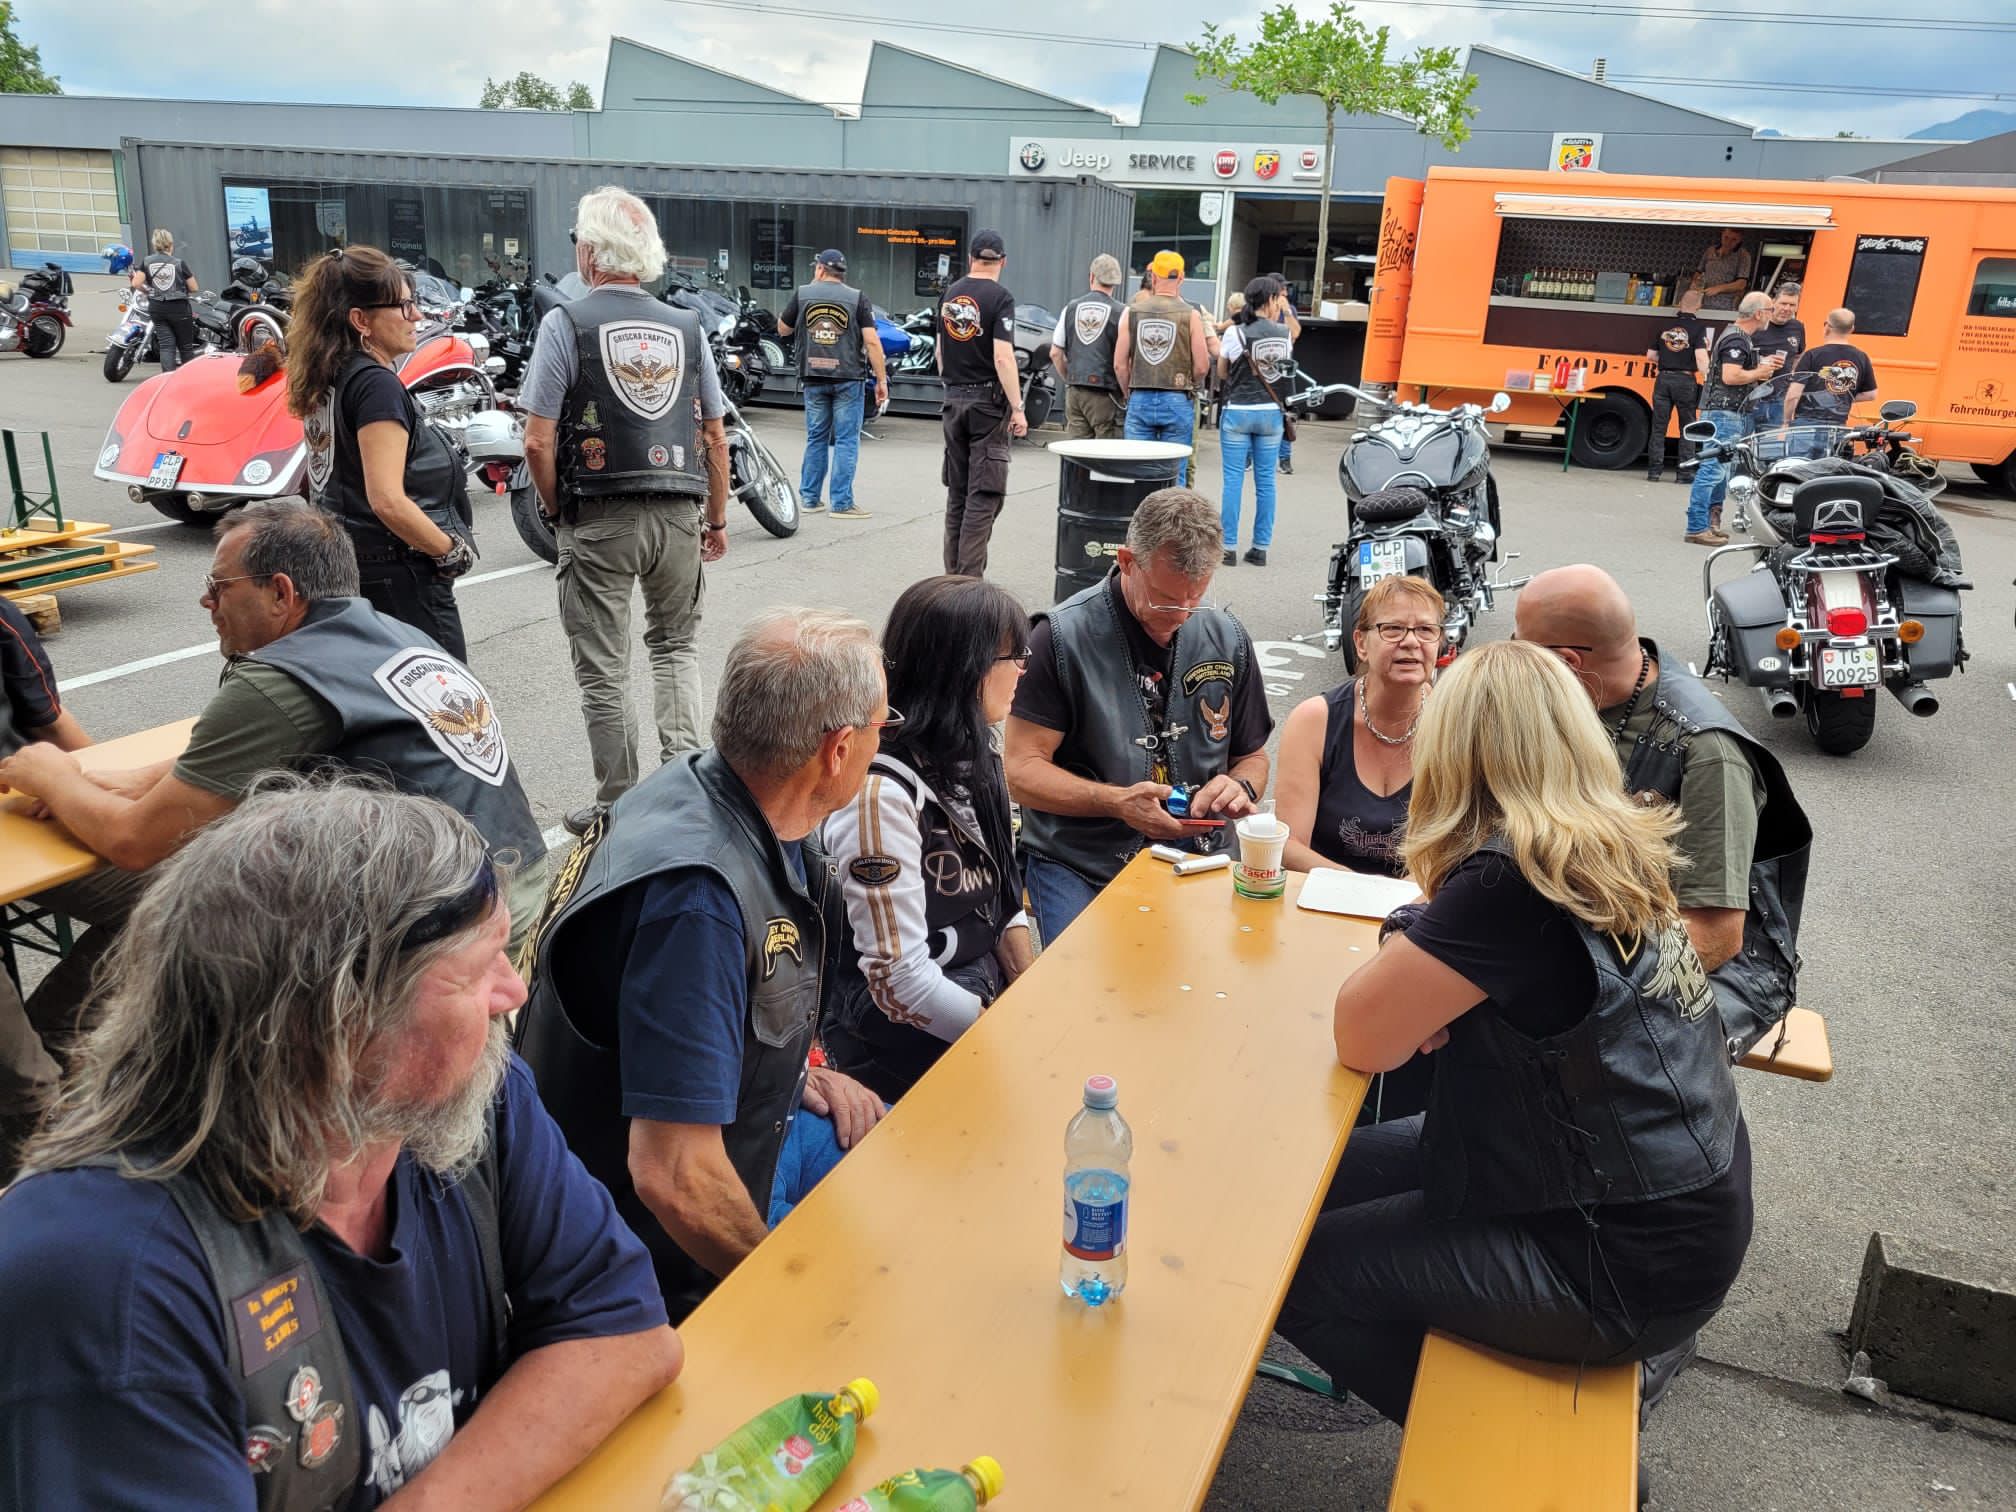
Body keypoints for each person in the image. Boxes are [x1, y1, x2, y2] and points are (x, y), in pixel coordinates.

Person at [0, 783, 682, 1508]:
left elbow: (625, 1332)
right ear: (335, 1024)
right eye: (476, 970)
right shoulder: (105, 1277)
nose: (512, 992)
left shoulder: (464, 1099)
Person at [1274, 640, 1752, 1426]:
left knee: (1295, 1271)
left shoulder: (1508, 878)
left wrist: (1421, 977)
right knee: (1308, 1177)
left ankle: (1501, 1447)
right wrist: (1423, 958)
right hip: (1660, 1199)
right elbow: (1436, 940)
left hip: (1613, 1259)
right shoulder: (1605, 835)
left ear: (1457, 751)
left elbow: (1362, 1037)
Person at [0, 501, 550, 1040]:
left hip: (428, 926)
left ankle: (63, 1046)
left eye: (219, 586)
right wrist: (139, 779)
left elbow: (134, 842)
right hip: (508, 879)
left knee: (199, 902)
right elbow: (285, 744)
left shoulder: (282, 681)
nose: (206, 600)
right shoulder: (391, 634)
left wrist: (52, 776)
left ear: (281, 593)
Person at [521, 608, 893, 1320]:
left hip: (754, 1129)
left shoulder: (709, 787)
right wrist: (788, 1301)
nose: (884, 741)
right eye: (884, 724)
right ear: (839, 748)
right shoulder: (698, 902)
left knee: (918, 1156)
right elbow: (674, 1175)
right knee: (887, 1293)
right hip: (650, 1252)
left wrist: (795, 1074)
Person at [1514, 565, 1810, 1055]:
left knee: (1558, 1050)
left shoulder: (1707, 752)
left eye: (1521, 651)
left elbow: (1715, 934)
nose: (1514, 665)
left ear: (1567, 661)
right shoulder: (1584, 694)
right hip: (1595, 921)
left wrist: (1570, 986)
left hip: (1715, 967)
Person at [521, 187, 732, 835]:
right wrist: (717, 518)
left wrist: (557, 509)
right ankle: (686, 788)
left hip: (599, 511)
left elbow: (536, 440)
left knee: (604, 671)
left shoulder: (566, 323)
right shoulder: (688, 327)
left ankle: (618, 805)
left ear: (590, 252)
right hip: (678, 510)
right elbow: (714, 433)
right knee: (676, 648)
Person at [1004, 488, 1272, 944]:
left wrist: (1240, 786)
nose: (1183, 615)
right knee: (1082, 980)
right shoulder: (1059, 638)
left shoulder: (1226, 635)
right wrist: (1114, 802)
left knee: (1227, 970)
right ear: (1127, 561)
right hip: (1081, 857)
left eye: (1196, 598)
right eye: (1166, 599)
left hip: (1202, 849)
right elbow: (1020, 773)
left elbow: (1253, 757)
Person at [822, 577, 1036, 1101]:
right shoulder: (879, 794)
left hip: (971, 980)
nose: (1024, 668)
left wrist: (1033, 997)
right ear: (968, 668)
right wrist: (1008, 1037)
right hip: (902, 1029)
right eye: (1015, 655)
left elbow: (1001, 894)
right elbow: (899, 980)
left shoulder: (975, 753)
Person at [288, 245, 477, 659]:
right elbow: (387, 500)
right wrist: (449, 551)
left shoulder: (328, 374)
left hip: (347, 565)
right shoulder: (375, 386)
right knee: (441, 691)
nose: (417, 316)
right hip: (396, 571)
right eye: (404, 306)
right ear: (361, 320)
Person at [0, 596, 95, 1174]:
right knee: (27, 1085)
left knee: (174, 889)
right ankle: (33, 1116)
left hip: (17, 809)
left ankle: (57, 1037)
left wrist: (95, 790)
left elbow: (52, 722)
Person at [1276, 576, 1444, 879]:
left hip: (1421, 899)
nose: (1411, 641)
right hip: (1324, 894)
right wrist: (1359, 890)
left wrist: (1405, 895)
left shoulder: (1455, 725)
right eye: (1393, 629)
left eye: (1425, 630)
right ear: (1361, 643)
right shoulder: (1314, 721)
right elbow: (1289, 844)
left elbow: (1461, 844)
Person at [936, 229, 1028, 578]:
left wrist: (953, 385)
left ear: (971, 257)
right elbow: (1003, 357)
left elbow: (941, 351)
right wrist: (1017, 407)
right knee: (984, 495)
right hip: (987, 404)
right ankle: (969, 582)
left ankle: (953, 577)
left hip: (954, 399)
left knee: (958, 495)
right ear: (1003, 261)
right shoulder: (1001, 298)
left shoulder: (950, 294)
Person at [778, 248, 887, 518]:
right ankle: (841, 504)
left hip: (813, 375)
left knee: (816, 437)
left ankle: (809, 499)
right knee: (847, 440)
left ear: (820, 269)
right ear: (842, 273)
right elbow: (872, 341)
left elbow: (783, 329)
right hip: (848, 377)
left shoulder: (803, 294)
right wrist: (881, 379)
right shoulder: (857, 298)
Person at [1687, 291, 1783, 545]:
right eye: (1770, 310)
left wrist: (1757, 369)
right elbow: (1730, 377)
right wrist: (1759, 372)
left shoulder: (1735, 335)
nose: (1772, 315)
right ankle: (1696, 527)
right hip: (1724, 412)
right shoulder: (1738, 339)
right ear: (1758, 313)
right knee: (1712, 470)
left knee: (1719, 471)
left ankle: (1707, 524)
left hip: (1723, 411)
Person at [1217, 274, 1296, 567]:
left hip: (1238, 411)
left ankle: (1228, 547)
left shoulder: (1235, 333)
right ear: (1272, 299)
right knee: (1266, 483)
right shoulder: (1284, 334)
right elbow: (1284, 374)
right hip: (1271, 414)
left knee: (1233, 480)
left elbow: (1222, 372)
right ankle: (1260, 548)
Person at [1115, 251, 1210, 485]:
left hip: (1140, 395)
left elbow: (1119, 364)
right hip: (1177, 397)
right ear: (1182, 278)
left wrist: (1128, 392)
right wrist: (1191, 386)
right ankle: (1171, 509)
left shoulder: (1132, 312)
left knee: (1136, 472)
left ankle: (1140, 509)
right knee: (1175, 472)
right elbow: (1202, 366)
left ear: (1154, 277)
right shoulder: (1191, 315)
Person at [1051, 253, 1126, 441]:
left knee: (1077, 453)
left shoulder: (1070, 308)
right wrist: (1126, 393)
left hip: (1075, 390)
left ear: (1091, 276)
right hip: (1106, 393)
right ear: (1116, 282)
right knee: (1108, 452)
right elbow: (1122, 364)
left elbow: (1055, 353)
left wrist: (1070, 378)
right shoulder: (1123, 312)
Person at [1644, 287, 1709, 483]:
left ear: (1680, 303)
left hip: (1663, 379)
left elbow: (1651, 355)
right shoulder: (1699, 328)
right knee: (1687, 428)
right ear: (1699, 306)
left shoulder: (1665, 326)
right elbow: (1701, 357)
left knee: (1658, 427)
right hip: (1685, 381)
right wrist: (1707, 377)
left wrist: (1668, 361)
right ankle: (1684, 474)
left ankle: (1654, 472)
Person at [1783, 307, 1879, 427]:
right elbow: (1870, 394)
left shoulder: (1812, 355)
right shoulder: (1861, 357)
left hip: (1806, 424)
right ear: (1852, 329)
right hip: (1837, 425)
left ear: (1827, 326)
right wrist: (1840, 397)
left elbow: (1793, 395)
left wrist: (1786, 421)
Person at [133, 227, 199, 372]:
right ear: (170, 245)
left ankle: (167, 377)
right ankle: (188, 377)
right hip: (179, 308)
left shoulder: (147, 261)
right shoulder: (179, 263)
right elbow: (194, 287)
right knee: (185, 347)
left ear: (155, 245)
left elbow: (136, 283)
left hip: (157, 308)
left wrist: (148, 291)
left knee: (166, 346)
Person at [1749, 282, 1807, 430]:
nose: (1787, 309)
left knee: (1772, 442)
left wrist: (1793, 375)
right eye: (1783, 303)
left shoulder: (1797, 327)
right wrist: (1761, 362)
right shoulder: (1757, 324)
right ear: (1773, 302)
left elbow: (1799, 355)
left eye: (1792, 305)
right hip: (1751, 395)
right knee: (1743, 441)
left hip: (1780, 398)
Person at [1694, 227, 1752, 311]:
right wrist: (1695, 284)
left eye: (1734, 239)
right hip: (1702, 303)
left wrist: (1718, 288)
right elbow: (1698, 272)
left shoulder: (1743, 255)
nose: (1728, 242)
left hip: (1726, 306)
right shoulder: (1710, 251)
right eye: (1726, 237)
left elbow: (1741, 284)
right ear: (1722, 234)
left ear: (1740, 240)